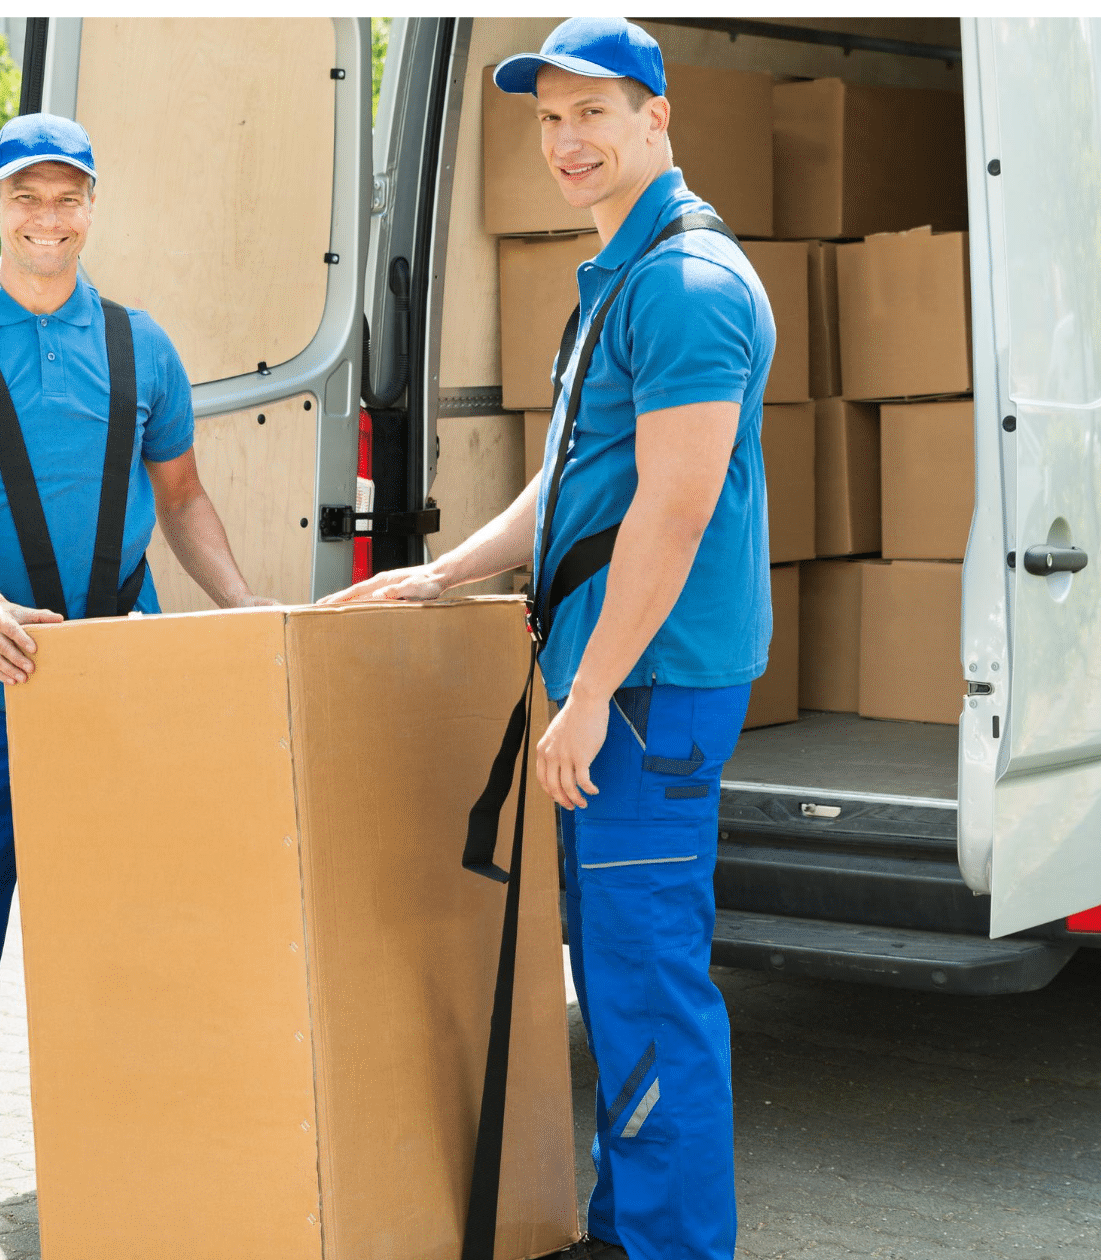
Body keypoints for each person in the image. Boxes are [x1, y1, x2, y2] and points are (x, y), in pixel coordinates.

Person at [324, 17, 775, 1260]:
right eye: (547, 118)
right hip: (616, 684)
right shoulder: (619, 275)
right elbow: (577, 484)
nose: (566, 141)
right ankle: (623, 1233)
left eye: (593, 113)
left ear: (655, 120)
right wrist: (443, 573)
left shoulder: (682, 287)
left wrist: (589, 697)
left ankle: (672, 1247)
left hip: (647, 692)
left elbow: (673, 511)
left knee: (646, 987)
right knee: (617, 982)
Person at [0, 113, 275, 1260]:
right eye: (26, 197)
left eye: (67, 196)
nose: (48, 217)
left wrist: (250, 612)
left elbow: (182, 503)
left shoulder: (141, 348)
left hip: (125, 689)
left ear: (90, 205)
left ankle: (148, 1155)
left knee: (143, 931)